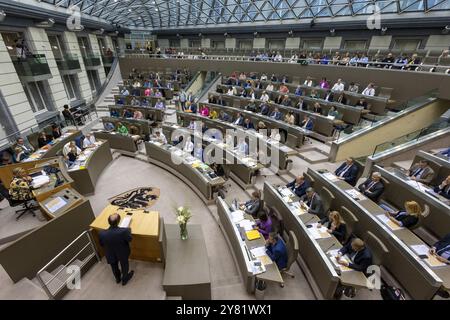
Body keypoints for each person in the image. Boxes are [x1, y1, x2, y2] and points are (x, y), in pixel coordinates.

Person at [98, 213, 134, 285]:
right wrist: (128, 230)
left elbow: (101, 244)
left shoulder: (101, 233)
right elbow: (130, 239)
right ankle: (125, 279)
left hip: (110, 253)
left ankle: (118, 279)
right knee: (124, 265)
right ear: (118, 221)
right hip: (122, 253)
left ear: (108, 222)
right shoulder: (125, 231)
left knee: (114, 266)